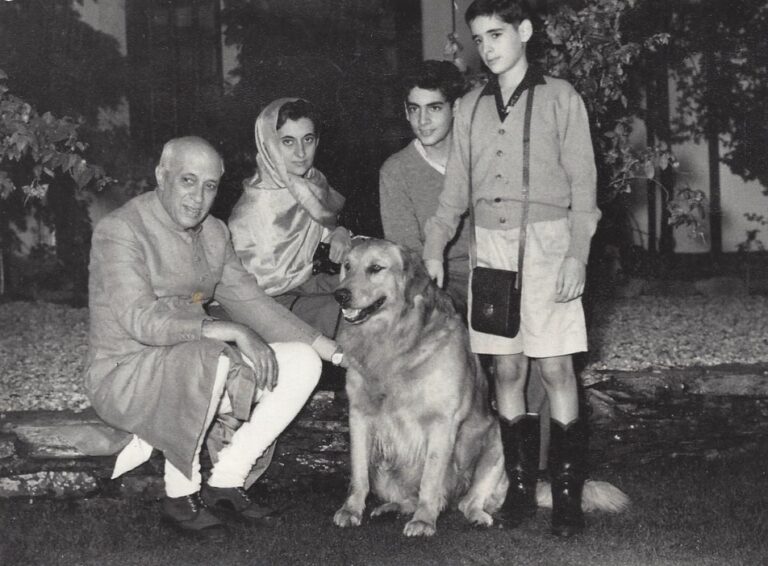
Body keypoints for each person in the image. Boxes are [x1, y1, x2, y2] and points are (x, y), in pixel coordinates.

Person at [85, 136, 346, 537]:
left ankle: (227, 479)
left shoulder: (215, 233)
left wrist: (336, 353)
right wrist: (229, 330)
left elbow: (253, 303)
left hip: (196, 362)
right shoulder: (119, 229)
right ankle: (180, 496)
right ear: (161, 176)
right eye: (188, 181)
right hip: (126, 374)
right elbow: (139, 319)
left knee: (300, 362)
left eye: (210, 186)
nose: (199, 198)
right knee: (213, 356)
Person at [422, 0, 601, 537]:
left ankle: (566, 495)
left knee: (556, 370)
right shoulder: (472, 106)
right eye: (480, 39)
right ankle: (520, 489)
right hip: (491, 251)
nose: (489, 47)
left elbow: (584, 186)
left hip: (549, 248)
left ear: (524, 31)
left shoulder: (561, 97)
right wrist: (435, 244)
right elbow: (455, 189)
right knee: (506, 370)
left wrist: (577, 254)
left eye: (497, 34)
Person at [229, 98, 352, 339]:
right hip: (265, 305)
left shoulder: (311, 183)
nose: (301, 153)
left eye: (308, 139)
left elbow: (326, 222)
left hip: (306, 282)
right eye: (287, 142)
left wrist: (338, 231)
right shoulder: (254, 207)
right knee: (349, 314)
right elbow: (251, 293)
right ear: (269, 145)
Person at [378, 60, 470, 312]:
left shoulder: (480, 157)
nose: (423, 120)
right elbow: (407, 254)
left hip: (495, 271)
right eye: (415, 109)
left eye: (434, 108)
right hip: (437, 281)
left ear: (456, 108)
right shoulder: (396, 171)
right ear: (406, 111)